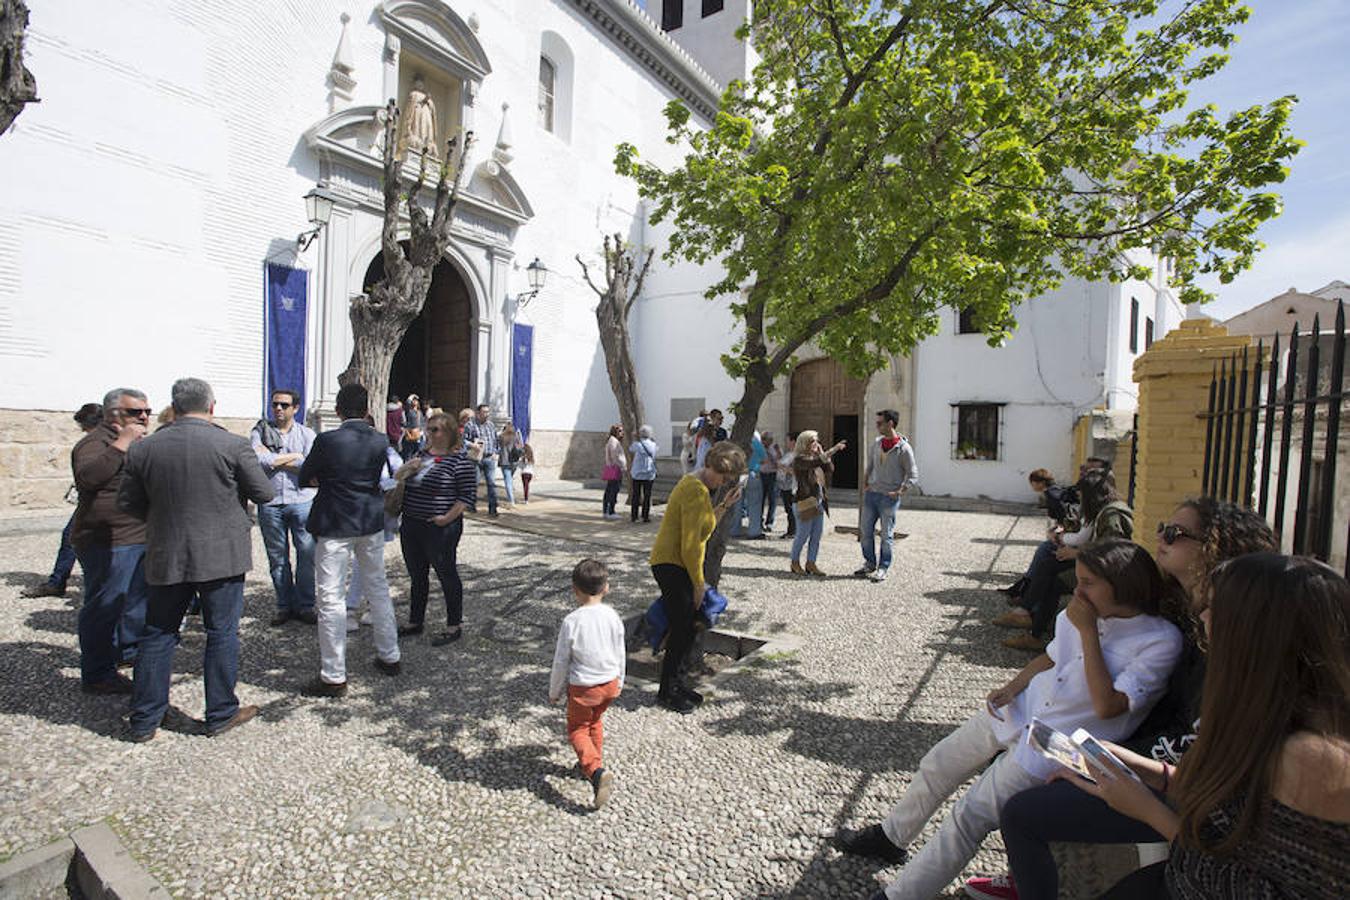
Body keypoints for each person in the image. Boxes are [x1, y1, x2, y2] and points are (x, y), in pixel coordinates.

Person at [835, 540, 1183, 900]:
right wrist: (1013, 686)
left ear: (1123, 585)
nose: (1078, 590)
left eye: (1089, 582)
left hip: (1055, 743)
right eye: (1077, 580)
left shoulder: (1157, 641)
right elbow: (1052, 660)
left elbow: (1108, 706)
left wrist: (1089, 632)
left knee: (969, 815)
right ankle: (891, 836)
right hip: (1023, 708)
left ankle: (900, 896)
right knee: (939, 763)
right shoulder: (1077, 614)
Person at [968, 499, 1278, 900]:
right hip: (1145, 748)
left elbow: (1191, 740)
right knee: (1022, 746)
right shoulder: (1175, 604)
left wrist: (1124, 767)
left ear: (1214, 547)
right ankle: (1020, 870)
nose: (1160, 537)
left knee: (1024, 804)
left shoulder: (1233, 642)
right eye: (1163, 526)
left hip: (1169, 766)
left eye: (1174, 533)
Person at [1071, 554, 1348, 899]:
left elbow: (1252, 888)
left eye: (1216, 607)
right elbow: (1229, 808)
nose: (1202, 616)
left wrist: (1148, 810)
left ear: (1256, 629)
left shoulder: (1313, 758)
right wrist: (1143, 770)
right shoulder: (1263, 711)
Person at [118, 378, 274, 741]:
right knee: (221, 633)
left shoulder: (145, 449)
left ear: (173, 406)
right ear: (212, 407)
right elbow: (264, 493)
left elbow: (127, 503)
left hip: (167, 552)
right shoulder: (233, 444)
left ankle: (145, 719)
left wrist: (163, 521)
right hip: (222, 555)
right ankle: (220, 711)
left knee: (158, 634)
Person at [299, 383, 402, 697]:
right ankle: (390, 655)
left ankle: (333, 674)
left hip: (335, 522)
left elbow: (306, 477)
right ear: (368, 411)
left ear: (338, 411)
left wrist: (327, 480)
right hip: (369, 519)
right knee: (378, 588)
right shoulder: (379, 439)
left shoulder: (327, 440)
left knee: (330, 597)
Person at [649, 441, 745, 714]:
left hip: (675, 562)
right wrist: (699, 583)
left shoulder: (700, 487)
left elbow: (703, 528)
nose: (723, 482)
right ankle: (668, 692)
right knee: (682, 630)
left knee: (687, 629)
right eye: (723, 477)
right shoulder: (695, 490)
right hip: (672, 564)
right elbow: (691, 545)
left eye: (728, 479)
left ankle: (676, 685)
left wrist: (725, 504)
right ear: (711, 466)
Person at [70, 388, 152, 695]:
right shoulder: (94, 443)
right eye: (136, 412)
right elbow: (89, 478)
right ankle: (97, 672)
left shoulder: (140, 442)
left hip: (139, 535)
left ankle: (126, 653)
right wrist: (123, 443)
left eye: (146, 411)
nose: (143, 417)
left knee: (135, 602)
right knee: (104, 606)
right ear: (112, 413)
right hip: (107, 540)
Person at [1003, 468, 1132, 651]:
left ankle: (1030, 622)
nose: (1080, 500)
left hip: (1106, 576)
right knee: (1049, 563)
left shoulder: (1111, 516)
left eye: (1082, 496)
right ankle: (1031, 620)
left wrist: (1076, 554)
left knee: (1052, 578)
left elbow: (1113, 553)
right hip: (1097, 567)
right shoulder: (1107, 510)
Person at [549, 558, 626, 809]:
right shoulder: (613, 616)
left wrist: (555, 690)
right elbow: (620, 651)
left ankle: (595, 771)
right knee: (595, 721)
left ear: (575, 590)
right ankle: (593, 761)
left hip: (585, 687)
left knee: (577, 728)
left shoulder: (573, 621)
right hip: (610, 683)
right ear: (606, 588)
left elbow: (562, 660)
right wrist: (620, 679)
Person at [396, 412, 476, 647]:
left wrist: (446, 518)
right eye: (428, 429)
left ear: (449, 433)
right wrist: (407, 468)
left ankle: (454, 625)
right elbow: (397, 479)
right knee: (417, 575)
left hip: (440, 527)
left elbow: (465, 497)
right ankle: (415, 620)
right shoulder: (420, 455)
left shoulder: (460, 460)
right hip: (412, 523)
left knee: (446, 574)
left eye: (435, 430)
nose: (429, 433)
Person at [251, 389, 318, 627]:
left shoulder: (307, 433)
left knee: (306, 555)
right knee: (277, 558)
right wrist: (293, 458)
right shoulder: (260, 431)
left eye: (284, 405)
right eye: (275, 405)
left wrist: (277, 460)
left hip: (301, 500)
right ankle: (284, 605)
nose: (279, 409)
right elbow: (260, 460)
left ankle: (306, 605)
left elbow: (309, 465)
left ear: (296, 408)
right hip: (270, 502)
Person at [23, 403, 103, 599]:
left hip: (97, 503)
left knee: (73, 538)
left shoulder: (97, 443)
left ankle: (59, 582)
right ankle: (58, 581)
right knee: (72, 538)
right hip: (94, 501)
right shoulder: (103, 441)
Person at [343, 417, 404, 634]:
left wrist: (383, 486)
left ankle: (355, 607)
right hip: (348, 516)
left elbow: (400, 475)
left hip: (376, 515)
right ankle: (364, 607)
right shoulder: (343, 451)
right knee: (361, 563)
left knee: (367, 563)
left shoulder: (387, 453)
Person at [997, 468, 1081, 601]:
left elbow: (1064, 517)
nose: (1032, 486)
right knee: (1042, 551)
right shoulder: (1056, 491)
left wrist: (1058, 531)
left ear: (1040, 483)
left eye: (1032, 483)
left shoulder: (1051, 495)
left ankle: (1024, 590)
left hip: (1069, 538)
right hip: (1069, 534)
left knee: (1043, 552)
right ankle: (1021, 588)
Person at [855, 410, 918, 582]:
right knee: (866, 531)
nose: (877, 426)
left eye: (879, 423)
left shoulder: (904, 449)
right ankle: (869, 563)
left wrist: (900, 491)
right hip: (871, 494)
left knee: (886, 535)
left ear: (890, 424)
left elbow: (913, 474)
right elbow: (871, 465)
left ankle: (883, 567)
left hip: (889, 498)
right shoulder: (876, 443)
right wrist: (865, 482)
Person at [790, 430, 846, 576]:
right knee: (802, 535)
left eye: (816, 440)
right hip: (805, 502)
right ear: (804, 443)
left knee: (816, 535)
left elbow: (829, 468)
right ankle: (795, 562)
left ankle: (811, 563)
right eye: (812, 441)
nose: (816, 443)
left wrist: (822, 453)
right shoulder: (800, 460)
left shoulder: (816, 457)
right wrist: (833, 449)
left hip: (818, 501)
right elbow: (815, 463)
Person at [463, 403, 500, 517]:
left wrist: (495, 452)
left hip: (489, 458)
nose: (487, 414)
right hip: (476, 458)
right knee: (474, 483)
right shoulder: (470, 425)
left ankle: (493, 508)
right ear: (478, 413)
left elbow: (495, 440)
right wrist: (472, 445)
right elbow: (463, 440)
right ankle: (471, 505)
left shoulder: (491, 425)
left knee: (491, 484)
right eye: (484, 412)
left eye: (488, 412)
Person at [732, 430, 767, 539]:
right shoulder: (756, 444)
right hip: (753, 474)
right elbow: (765, 459)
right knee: (755, 504)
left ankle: (734, 530)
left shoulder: (738, 443)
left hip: (739, 475)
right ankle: (754, 531)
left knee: (736, 504)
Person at [629, 425, 658, 523]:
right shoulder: (653, 444)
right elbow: (654, 454)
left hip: (637, 473)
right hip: (649, 473)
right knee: (647, 495)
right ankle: (645, 516)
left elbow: (631, 449)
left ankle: (634, 516)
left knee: (636, 495)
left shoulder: (638, 444)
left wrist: (635, 438)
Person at [601, 424, 626, 521]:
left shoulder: (611, 441)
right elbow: (616, 456)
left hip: (611, 468)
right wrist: (622, 465)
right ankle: (611, 511)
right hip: (615, 468)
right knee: (613, 490)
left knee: (609, 490)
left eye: (622, 430)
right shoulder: (614, 442)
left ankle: (606, 511)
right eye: (619, 430)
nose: (621, 432)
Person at [777, 431, 798, 540]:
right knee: (788, 509)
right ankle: (792, 530)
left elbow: (795, 471)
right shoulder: (789, 453)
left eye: (788, 440)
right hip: (784, 485)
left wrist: (782, 467)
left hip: (790, 486)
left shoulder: (796, 455)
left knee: (791, 509)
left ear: (793, 441)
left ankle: (792, 531)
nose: (786, 443)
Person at [760, 431, 781, 533]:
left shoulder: (775, 448)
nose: (764, 441)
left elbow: (779, 463)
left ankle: (769, 523)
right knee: (761, 499)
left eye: (766, 439)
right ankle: (759, 521)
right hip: (762, 474)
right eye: (763, 439)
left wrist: (773, 454)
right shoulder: (759, 448)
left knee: (772, 500)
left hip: (772, 475)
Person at [498, 422, 523, 507]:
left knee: (508, 481)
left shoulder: (501, 437)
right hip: (514, 461)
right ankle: (511, 498)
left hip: (504, 461)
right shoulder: (516, 437)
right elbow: (520, 447)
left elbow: (497, 447)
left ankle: (511, 500)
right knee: (510, 479)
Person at [399, 393, 424, 460]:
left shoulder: (419, 412)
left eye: (416, 400)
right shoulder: (409, 411)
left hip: (418, 434)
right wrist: (412, 396)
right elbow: (407, 403)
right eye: (413, 400)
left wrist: (422, 431)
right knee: (408, 452)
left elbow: (422, 423)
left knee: (418, 452)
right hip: (410, 433)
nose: (414, 401)